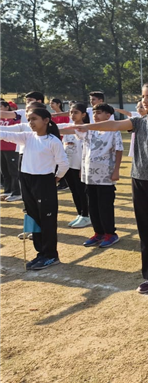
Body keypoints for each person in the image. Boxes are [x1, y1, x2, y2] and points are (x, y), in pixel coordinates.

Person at [73, 81, 148, 296]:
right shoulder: (138, 122)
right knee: (145, 229)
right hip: (138, 181)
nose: (145, 100)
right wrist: (87, 127)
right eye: (143, 96)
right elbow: (114, 125)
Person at [0, 108, 69, 270]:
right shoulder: (27, 136)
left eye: (34, 119)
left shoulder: (53, 141)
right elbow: (4, 134)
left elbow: (64, 164)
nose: (31, 122)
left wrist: (55, 179)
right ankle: (41, 252)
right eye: (29, 119)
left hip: (44, 181)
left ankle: (51, 255)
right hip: (26, 180)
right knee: (33, 217)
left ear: (46, 120)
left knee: (47, 220)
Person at [75, 104, 124, 248]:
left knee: (105, 206)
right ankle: (98, 233)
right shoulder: (89, 130)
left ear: (108, 115)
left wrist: (116, 170)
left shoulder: (113, 130)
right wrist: (82, 169)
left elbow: (119, 150)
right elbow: (84, 149)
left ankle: (110, 233)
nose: (95, 116)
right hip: (90, 174)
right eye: (94, 113)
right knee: (93, 205)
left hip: (105, 175)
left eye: (99, 113)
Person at [62, 102, 91, 229]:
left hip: (80, 166)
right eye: (71, 112)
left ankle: (86, 215)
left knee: (82, 192)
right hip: (69, 166)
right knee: (74, 191)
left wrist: (82, 168)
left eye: (76, 112)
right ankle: (80, 213)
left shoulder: (86, 129)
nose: (72, 115)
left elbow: (86, 150)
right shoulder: (68, 128)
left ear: (83, 114)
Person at [0, 101, 21, 202]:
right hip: (1, 148)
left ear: (7, 107)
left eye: (0, 106)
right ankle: (8, 190)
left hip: (12, 148)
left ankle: (17, 192)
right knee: (4, 171)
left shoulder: (15, 118)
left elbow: (17, 131)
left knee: (13, 171)